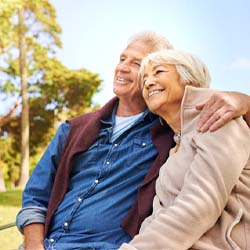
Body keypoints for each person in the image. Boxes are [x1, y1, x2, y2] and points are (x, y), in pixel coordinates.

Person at [16, 32, 250, 250]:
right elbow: (35, 198)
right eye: (122, 59)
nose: (123, 68)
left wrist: (246, 103)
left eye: (140, 65)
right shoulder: (74, 128)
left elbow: (200, 200)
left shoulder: (173, 131)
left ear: (189, 81)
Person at [119, 49, 250, 250]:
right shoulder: (174, 149)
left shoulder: (218, 118)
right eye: (145, 78)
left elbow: (201, 203)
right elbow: (159, 217)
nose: (148, 82)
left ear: (191, 80)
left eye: (159, 72)